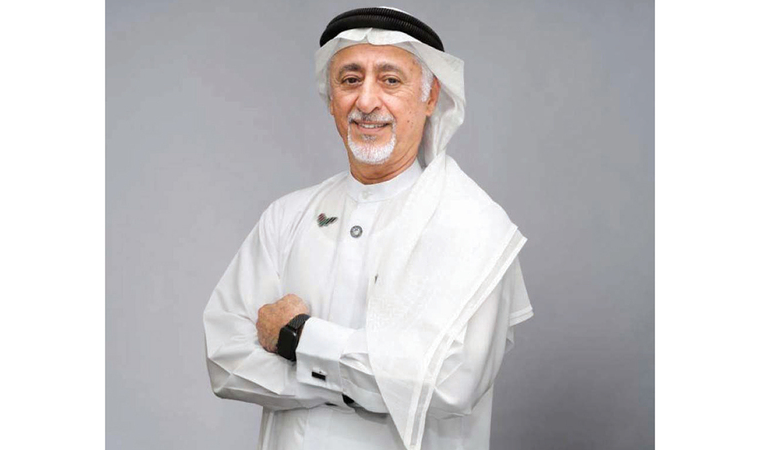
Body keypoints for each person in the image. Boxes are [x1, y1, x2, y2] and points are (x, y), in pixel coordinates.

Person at [203, 7, 534, 450]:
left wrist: (297, 338)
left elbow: (449, 383)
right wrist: (358, 383)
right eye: (350, 80)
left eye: (391, 80)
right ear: (331, 98)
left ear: (431, 97)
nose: (366, 102)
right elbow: (225, 359)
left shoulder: (472, 224)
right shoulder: (288, 215)